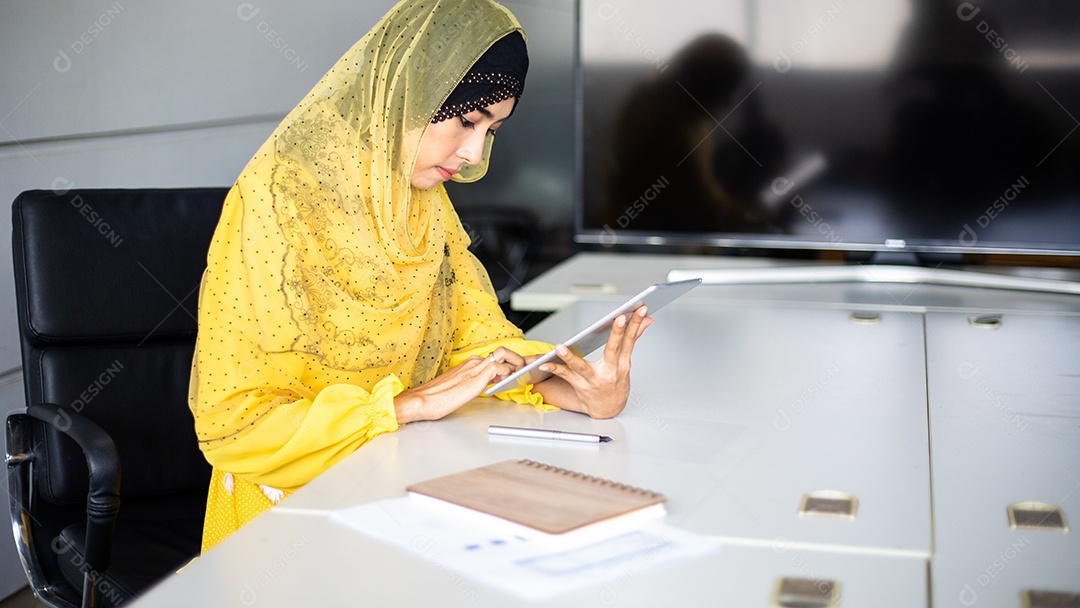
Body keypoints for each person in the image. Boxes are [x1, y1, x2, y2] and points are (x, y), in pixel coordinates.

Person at [189, 0, 652, 552]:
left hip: (400, 482)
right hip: (291, 507)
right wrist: (402, 406)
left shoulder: (417, 196)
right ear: (406, 96)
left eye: (493, 129)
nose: (475, 152)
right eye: (466, 121)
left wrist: (576, 393)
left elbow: (476, 347)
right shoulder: (279, 198)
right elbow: (235, 424)